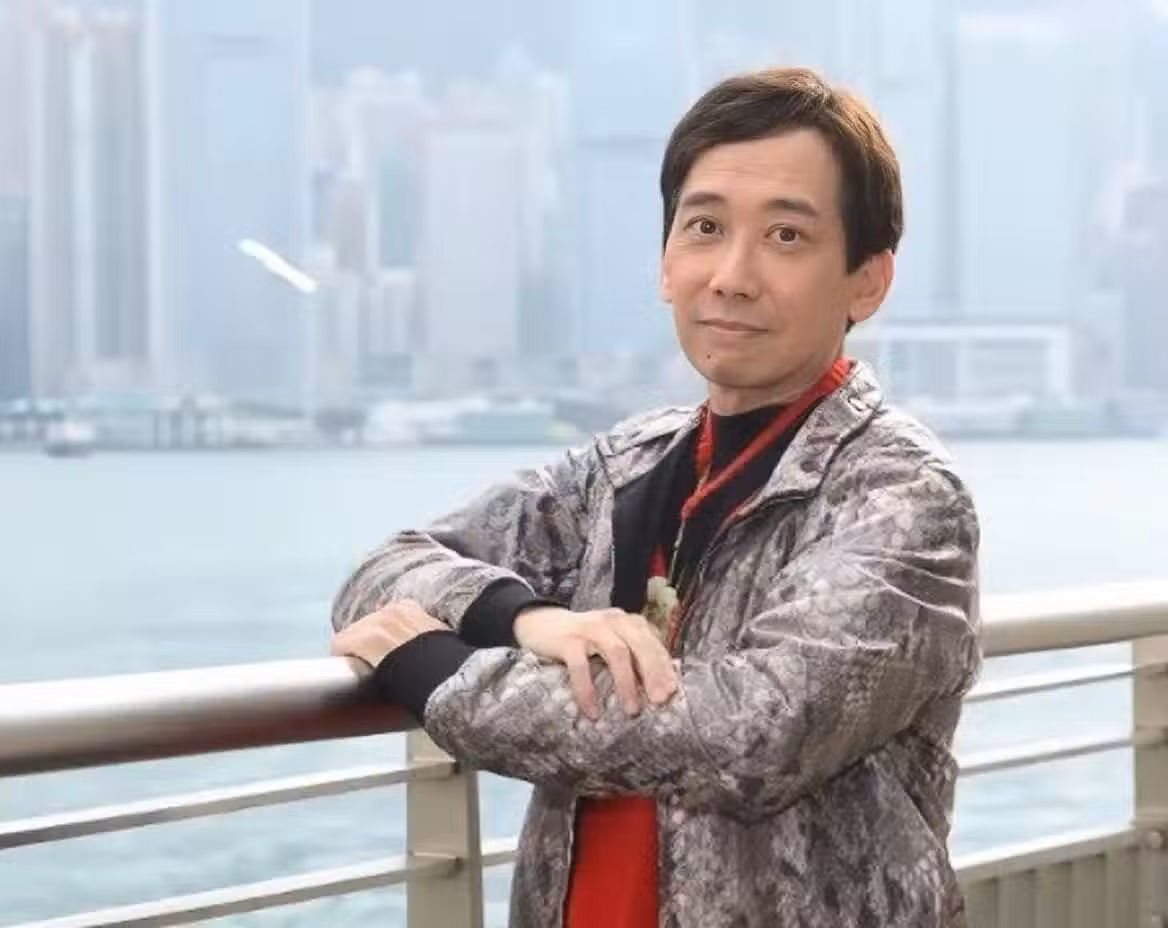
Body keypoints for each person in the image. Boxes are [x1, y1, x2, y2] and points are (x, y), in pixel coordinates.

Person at [330, 66, 982, 928]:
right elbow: (384, 572)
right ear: (667, 263)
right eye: (705, 227)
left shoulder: (902, 495)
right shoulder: (625, 469)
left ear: (868, 279)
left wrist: (440, 674)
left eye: (786, 236)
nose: (733, 275)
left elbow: (752, 735)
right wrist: (527, 620)